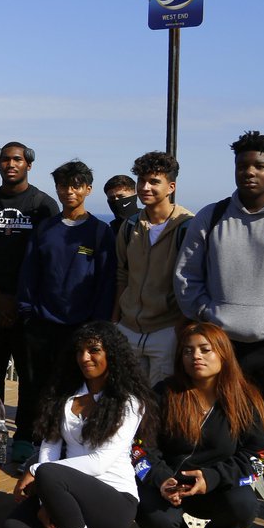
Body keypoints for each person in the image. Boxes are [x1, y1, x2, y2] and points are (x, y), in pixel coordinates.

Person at [175, 130, 264, 528]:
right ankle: (216, 500)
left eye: (259, 166)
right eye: (243, 165)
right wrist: (210, 316)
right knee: (220, 424)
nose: (250, 172)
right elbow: (186, 278)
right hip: (223, 343)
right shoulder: (212, 217)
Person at [2, 322, 152, 528]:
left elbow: (98, 463)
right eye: (79, 351)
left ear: (112, 354)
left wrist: (39, 472)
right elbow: (50, 445)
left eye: (94, 350)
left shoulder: (129, 402)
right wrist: (47, 498)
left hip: (114, 500)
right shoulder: (65, 396)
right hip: (62, 489)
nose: (85, 357)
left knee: (48, 472)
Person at [135, 322, 264, 528]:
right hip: (168, 487)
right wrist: (161, 479)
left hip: (216, 487)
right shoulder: (165, 392)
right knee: (155, 519)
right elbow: (140, 447)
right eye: (187, 351)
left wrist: (213, 477)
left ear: (223, 354)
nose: (195, 356)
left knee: (245, 506)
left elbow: (263, 456)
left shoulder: (247, 398)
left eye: (205, 349)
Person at [15, 160, 115, 462]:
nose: (69, 191)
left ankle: (71, 446)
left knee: (76, 388)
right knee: (34, 386)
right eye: (63, 185)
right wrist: (27, 311)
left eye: (76, 185)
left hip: (81, 327)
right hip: (41, 323)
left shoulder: (100, 232)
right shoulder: (45, 229)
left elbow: (106, 281)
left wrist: (95, 326)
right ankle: (28, 443)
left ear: (88, 189)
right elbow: (29, 273)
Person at [0, 142, 59, 421]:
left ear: (28, 165)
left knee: (30, 376)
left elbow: (48, 259)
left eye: (17, 159)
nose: (10, 164)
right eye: (5, 160)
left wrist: (19, 302)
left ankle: (25, 438)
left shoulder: (43, 205)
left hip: (28, 307)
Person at [113, 152, 194, 384]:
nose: (145, 187)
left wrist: (180, 329)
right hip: (128, 328)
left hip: (166, 330)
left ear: (171, 187)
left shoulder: (187, 226)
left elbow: (193, 282)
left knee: (161, 403)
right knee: (127, 402)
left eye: (154, 182)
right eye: (141, 181)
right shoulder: (130, 226)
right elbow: (122, 275)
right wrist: (115, 322)